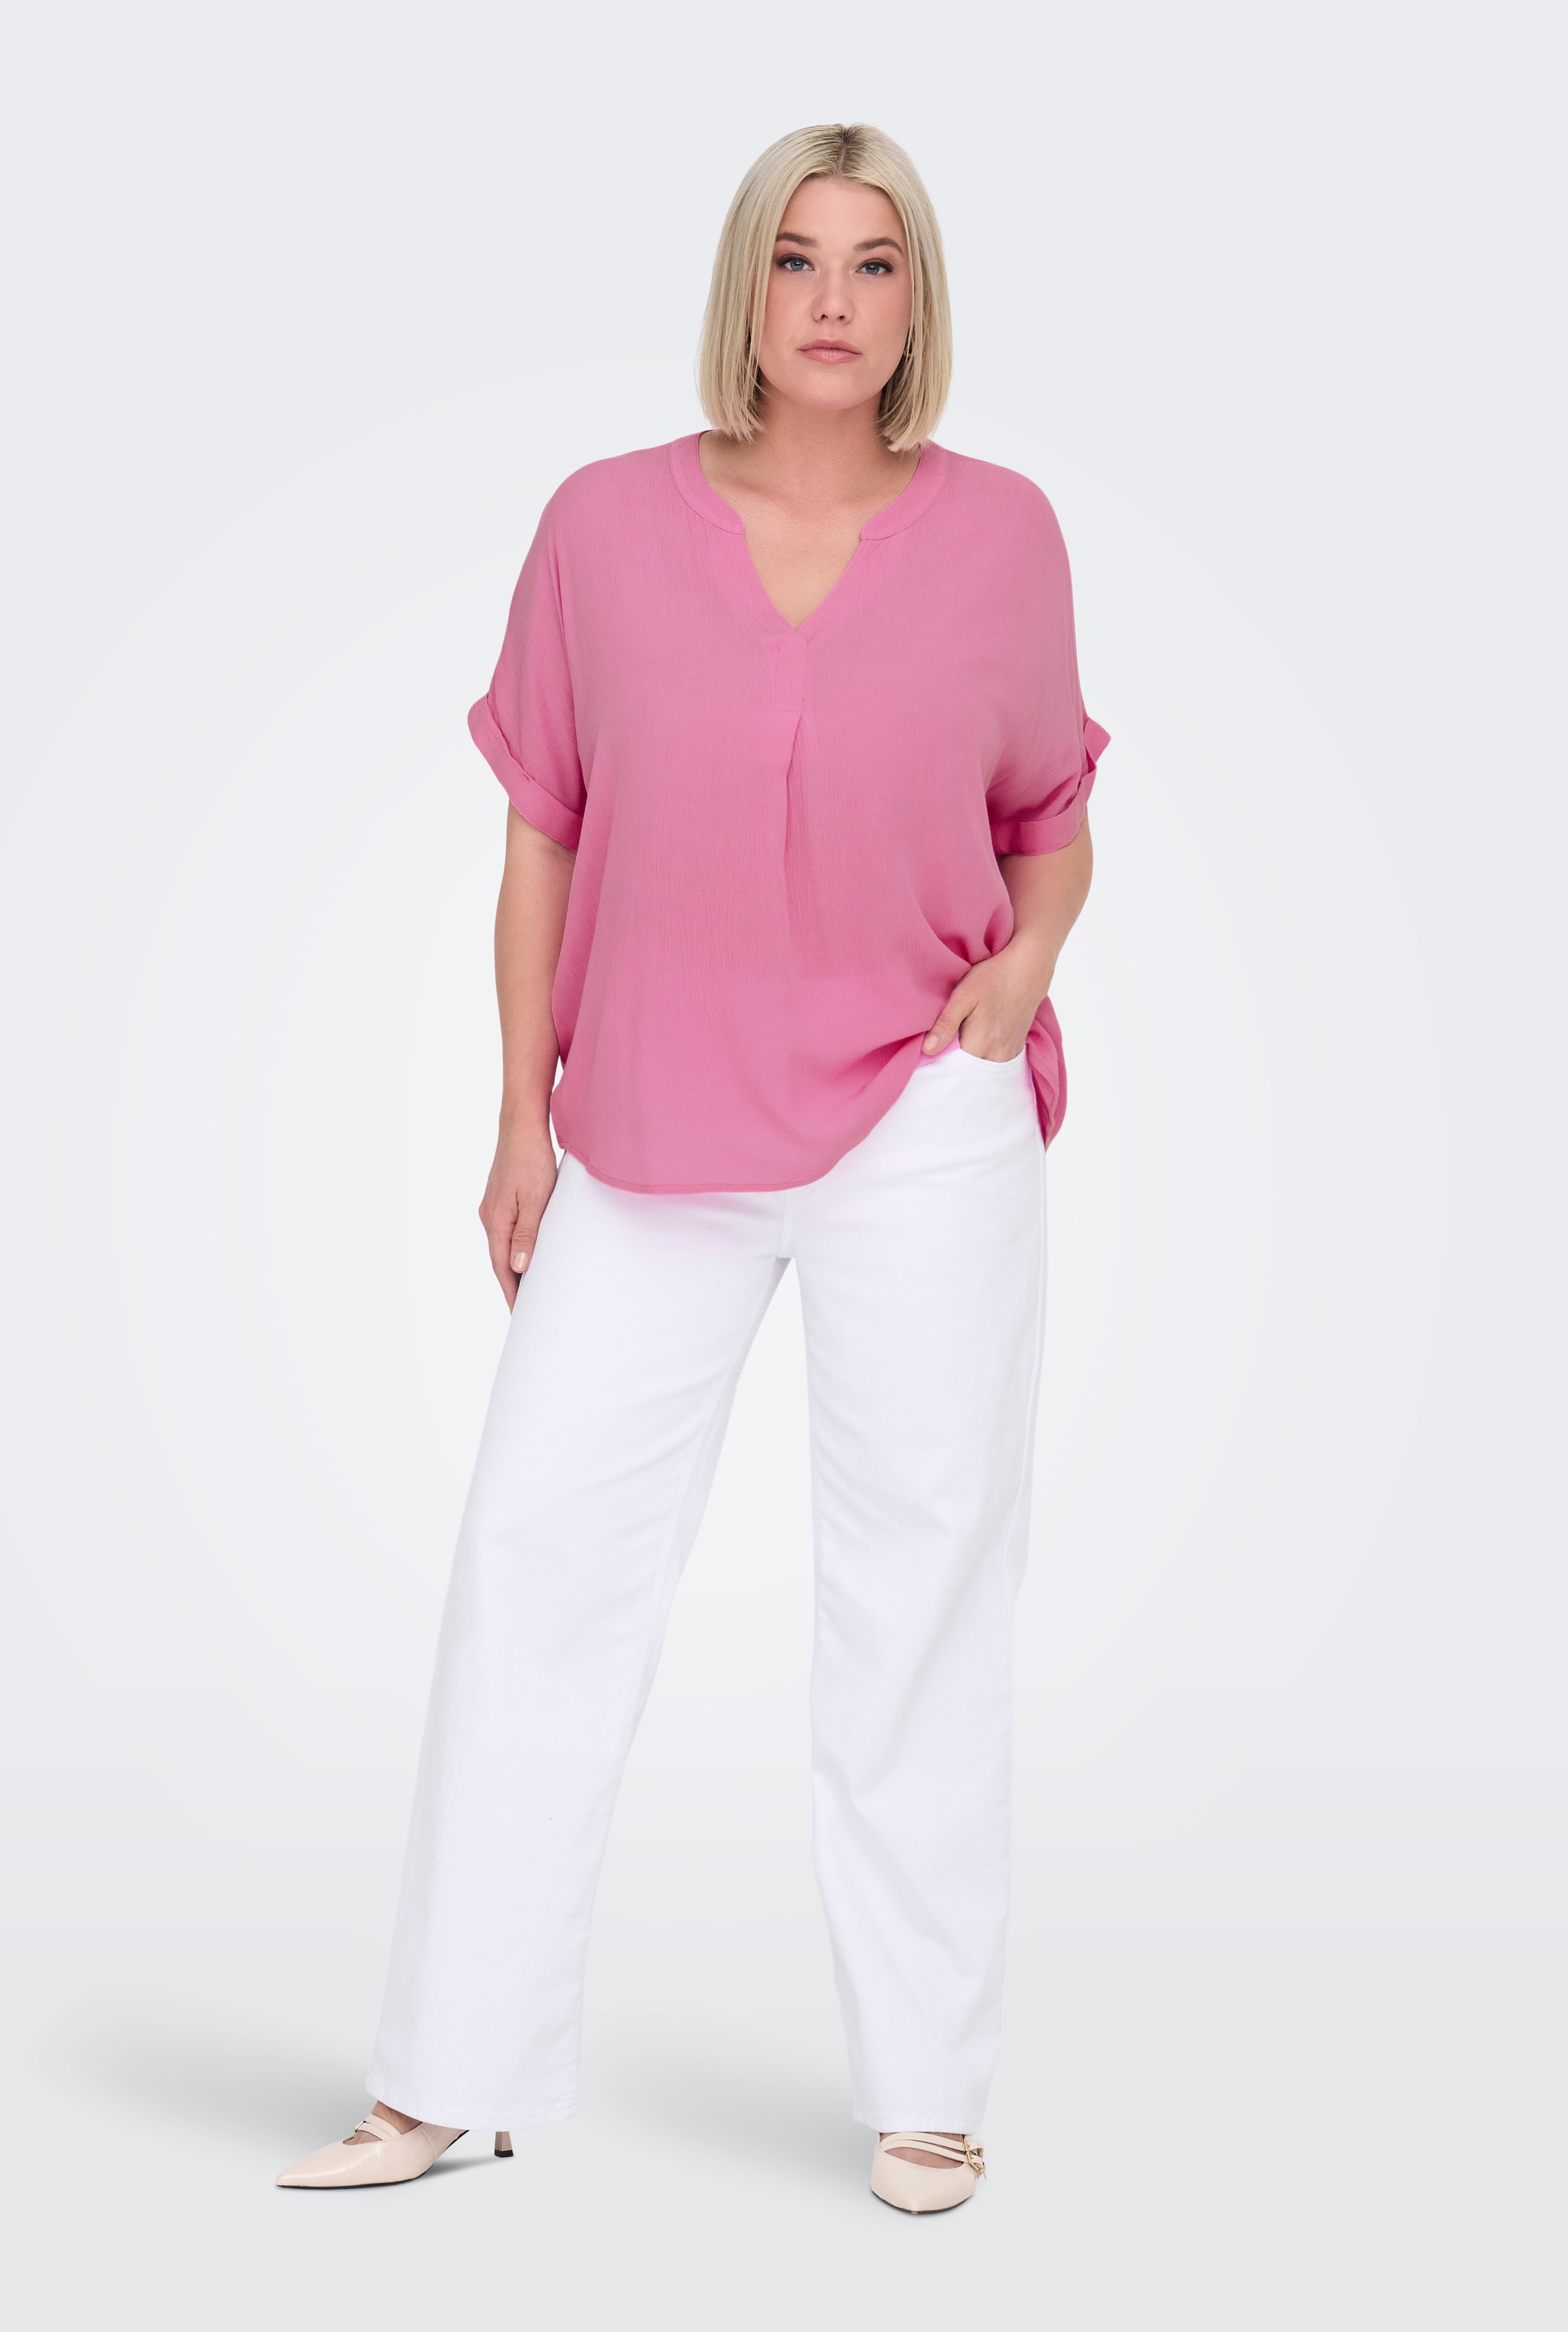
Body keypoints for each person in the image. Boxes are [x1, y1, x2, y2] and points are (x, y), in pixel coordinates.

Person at [277, 120, 1106, 2215]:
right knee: (539, 1555)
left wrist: (1025, 966)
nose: (835, 300)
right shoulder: (603, 525)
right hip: (649, 1119)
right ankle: (445, 2074)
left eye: (877, 263)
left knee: (922, 1581)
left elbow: (1050, 816)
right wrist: (520, 1107)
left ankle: (929, 2085)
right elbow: (541, 829)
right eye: (799, 258)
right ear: (747, 287)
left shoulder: (1006, 536)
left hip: (924, 1114)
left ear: (919, 303)